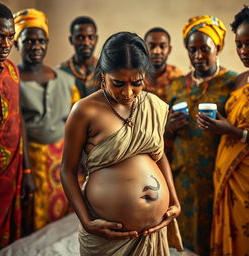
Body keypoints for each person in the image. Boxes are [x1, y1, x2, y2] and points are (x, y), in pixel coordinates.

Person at [61, 32, 183, 256]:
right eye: (117, 83)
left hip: (152, 232)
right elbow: (67, 171)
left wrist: (174, 201)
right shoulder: (85, 110)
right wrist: (87, 222)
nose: (128, 93)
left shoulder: (152, 104)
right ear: (103, 75)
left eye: (137, 83)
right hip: (108, 237)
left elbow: (159, 155)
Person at [165, 16, 237, 255]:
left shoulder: (232, 83)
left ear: (217, 48)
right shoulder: (176, 86)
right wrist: (169, 127)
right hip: (182, 172)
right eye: (192, 50)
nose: (198, 56)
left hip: (216, 173)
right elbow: (161, 129)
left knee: (213, 236)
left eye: (205, 49)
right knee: (182, 240)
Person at [14, 8, 80, 231]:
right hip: (32, 159)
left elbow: (77, 124)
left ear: (47, 42)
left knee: (65, 217)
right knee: (36, 214)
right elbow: (17, 127)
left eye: (41, 41)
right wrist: (27, 172)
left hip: (63, 158)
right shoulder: (12, 81)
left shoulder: (65, 80)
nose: (36, 46)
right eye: (28, 41)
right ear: (16, 44)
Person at [197, 6, 249, 255]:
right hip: (226, 176)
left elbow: (237, 130)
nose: (244, 51)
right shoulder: (240, 80)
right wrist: (219, 124)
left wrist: (235, 133)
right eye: (239, 44)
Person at [0, 2, 34, 251]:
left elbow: (18, 120)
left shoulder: (12, 71)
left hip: (13, 174)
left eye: (10, 36)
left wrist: (27, 171)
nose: (6, 44)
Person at [59, 16, 98, 98]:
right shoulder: (60, 73)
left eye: (90, 37)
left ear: (96, 39)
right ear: (71, 40)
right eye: (80, 38)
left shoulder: (105, 71)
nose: (86, 42)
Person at [144, 27, 183, 102]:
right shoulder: (135, 75)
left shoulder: (177, 76)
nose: (157, 51)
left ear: (169, 49)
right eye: (152, 46)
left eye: (162, 46)